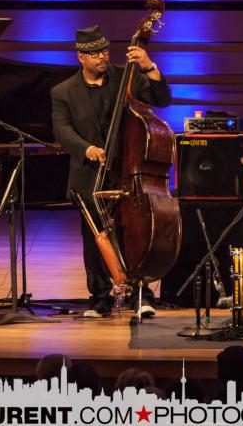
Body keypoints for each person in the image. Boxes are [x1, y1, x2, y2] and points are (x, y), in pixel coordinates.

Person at [51, 25, 171, 319]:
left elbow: (162, 98)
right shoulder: (62, 92)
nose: (102, 57)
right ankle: (100, 298)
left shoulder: (126, 77)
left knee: (135, 233)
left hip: (128, 172)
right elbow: (62, 130)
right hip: (89, 174)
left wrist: (149, 66)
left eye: (105, 51)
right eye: (95, 53)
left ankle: (142, 295)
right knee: (95, 238)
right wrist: (86, 148)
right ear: (81, 57)